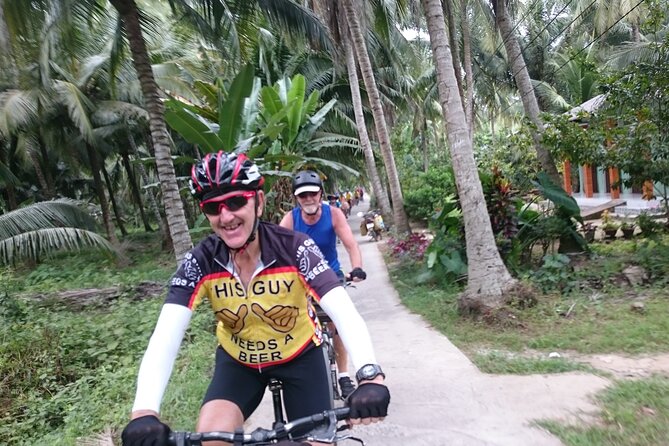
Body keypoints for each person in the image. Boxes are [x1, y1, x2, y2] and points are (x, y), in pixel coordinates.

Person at [121, 152, 389, 446]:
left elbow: (344, 312)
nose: (226, 216)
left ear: (258, 202)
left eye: (236, 202)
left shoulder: (295, 248)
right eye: (213, 207)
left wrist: (370, 375)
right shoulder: (201, 260)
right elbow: (165, 335)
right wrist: (144, 411)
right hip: (239, 364)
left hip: (300, 357)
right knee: (212, 439)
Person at [279, 170, 367, 399]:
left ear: (320, 194)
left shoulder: (334, 214)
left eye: (312, 194)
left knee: (337, 323)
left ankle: (344, 375)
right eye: (303, 195)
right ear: (297, 198)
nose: (308, 199)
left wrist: (356, 268)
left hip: (331, 276)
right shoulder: (291, 219)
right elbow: (276, 249)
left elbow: (351, 244)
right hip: (301, 280)